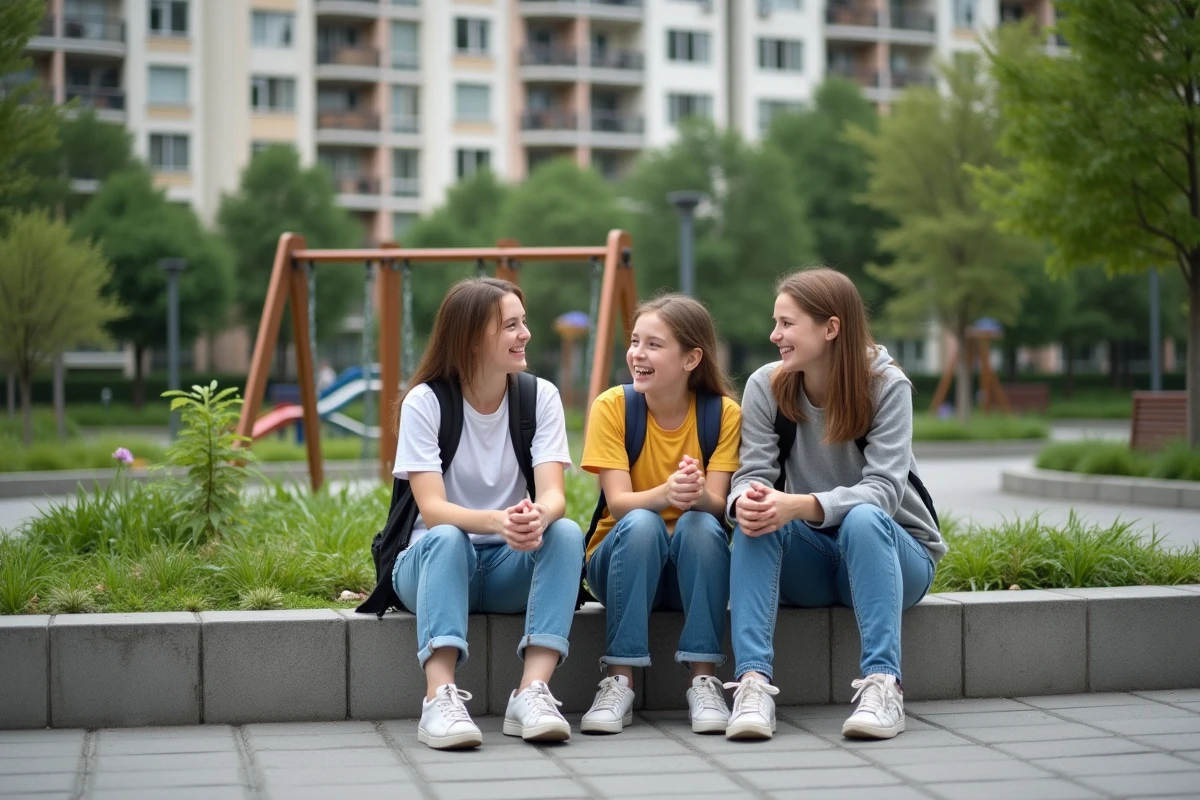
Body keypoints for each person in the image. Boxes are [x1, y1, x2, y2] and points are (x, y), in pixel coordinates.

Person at [725, 268, 947, 742]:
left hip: (893, 556)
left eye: (787, 323)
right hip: (814, 562)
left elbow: (884, 492)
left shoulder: (886, 385)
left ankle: (884, 686)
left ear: (830, 328)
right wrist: (746, 500)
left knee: (865, 517)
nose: (774, 335)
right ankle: (752, 686)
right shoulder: (768, 385)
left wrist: (801, 503)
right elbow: (751, 474)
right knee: (757, 517)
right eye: (775, 322)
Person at [391, 277, 584, 749]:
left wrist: (535, 517)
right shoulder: (426, 401)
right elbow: (433, 511)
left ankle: (531, 692)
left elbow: (553, 494)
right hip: (432, 564)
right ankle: (439, 699)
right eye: (511, 326)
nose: (526, 335)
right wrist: (499, 520)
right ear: (474, 338)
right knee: (447, 537)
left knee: (566, 531)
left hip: (505, 567)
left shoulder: (540, 397)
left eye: (524, 322)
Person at [579, 294, 742, 735]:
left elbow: (718, 503)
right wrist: (666, 491)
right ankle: (618, 679)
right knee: (643, 522)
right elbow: (618, 503)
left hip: (691, 567)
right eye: (635, 342)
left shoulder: (722, 414)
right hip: (619, 560)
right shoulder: (614, 406)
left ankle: (704, 680)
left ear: (692, 358)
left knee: (701, 524)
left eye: (654, 344)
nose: (637, 354)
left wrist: (694, 495)